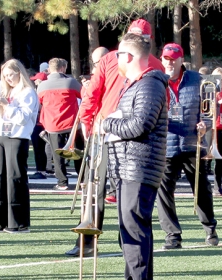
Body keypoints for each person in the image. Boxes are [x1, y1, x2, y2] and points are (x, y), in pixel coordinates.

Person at [69, 18, 165, 257]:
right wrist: (87, 123)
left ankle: (129, 245)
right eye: (134, 35)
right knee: (94, 187)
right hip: (103, 132)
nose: (138, 39)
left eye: (142, 37)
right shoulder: (110, 59)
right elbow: (93, 92)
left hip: (128, 137)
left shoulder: (154, 68)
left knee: (127, 200)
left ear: (148, 41)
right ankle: (88, 239)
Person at [102, 32, 168, 280]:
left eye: (118, 54)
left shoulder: (149, 84)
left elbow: (141, 124)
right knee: (130, 232)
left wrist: (108, 125)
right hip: (130, 166)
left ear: (127, 56)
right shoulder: (136, 84)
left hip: (139, 166)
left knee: (134, 232)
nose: (115, 59)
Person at [157, 42, 219, 250]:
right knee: (164, 191)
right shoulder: (156, 80)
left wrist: (206, 124)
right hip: (166, 145)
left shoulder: (198, 80)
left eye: (174, 59)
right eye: (166, 59)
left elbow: (210, 110)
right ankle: (172, 235)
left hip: (194, 143)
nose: (170, 63)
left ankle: (210, 228)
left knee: (202, 190)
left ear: (181, 60)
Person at [0, 58, 38, 233]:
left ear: (19, 73)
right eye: (5, 75)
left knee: (15, 178)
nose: (7, 79)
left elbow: (23, 118)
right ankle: (1, 220)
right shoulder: (3, 89)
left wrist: (6, 105)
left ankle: (18, 222)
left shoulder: (28, 92)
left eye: (11, 75)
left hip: (17, 137)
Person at [36, 58, 82, 191]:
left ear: (49, 69)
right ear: (63, 68)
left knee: (57, 155)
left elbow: (39, 103)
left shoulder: (42, 86)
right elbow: (83, 96)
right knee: (78, 152)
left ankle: (62, 182)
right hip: (72, 123)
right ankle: (82, 179)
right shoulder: (71, 82)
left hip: (53, 124)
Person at [204, 67, 222, 196]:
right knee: (206, 158)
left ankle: (218, 187)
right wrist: (218, 102)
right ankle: (203, 187)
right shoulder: (209, 91)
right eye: (219, 79)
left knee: (220, 158)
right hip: (212, 127)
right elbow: (205, 108)